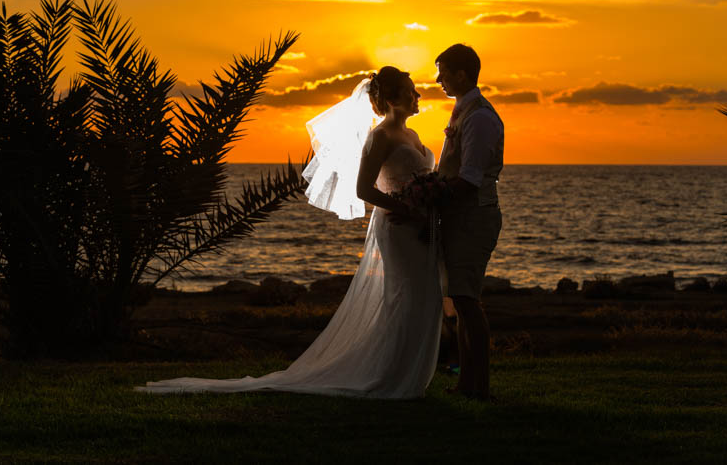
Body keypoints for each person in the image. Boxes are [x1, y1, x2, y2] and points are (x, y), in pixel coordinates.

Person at [136, 67, 444, 398]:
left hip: (421, 226)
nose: (419, 95)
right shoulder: (380, 137)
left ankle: (410, 373)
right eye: (412, 91)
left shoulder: (413, 136)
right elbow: (363, 190)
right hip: (397, 227)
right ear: (395, 97)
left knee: (426, 296)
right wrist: (407, 209)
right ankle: (391, 375)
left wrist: (429, 203)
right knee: (403, 297)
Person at [434, 44, 504, 401]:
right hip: (460, 216)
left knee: (468, 301)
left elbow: (470, 179)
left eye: (443, 71)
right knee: (461, 301)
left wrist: (431, 197)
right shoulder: (463, 110)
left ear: (462, 74)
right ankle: (467, 384)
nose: (438, 79)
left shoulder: (478, 117)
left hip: (473, 217)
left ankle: (481, 386)